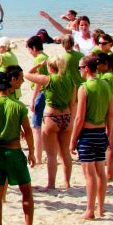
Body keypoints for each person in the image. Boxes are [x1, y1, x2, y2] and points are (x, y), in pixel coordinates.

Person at [0, 71, 35, 225]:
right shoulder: (18, 106)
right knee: (26, 190)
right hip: (14, 151)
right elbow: (28, 131)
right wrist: (31, 151)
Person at [70, 55, 113, 219]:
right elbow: (110, 115)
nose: (80, 71)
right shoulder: (106, 85)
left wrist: (73, 139)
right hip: (101, 132)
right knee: (100, 172)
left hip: (88, 134)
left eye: (80, 68)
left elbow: (79, 117)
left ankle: (90, 210)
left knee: (89, 173)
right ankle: (101, 208)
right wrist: (109, 134)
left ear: (87, 69)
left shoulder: (85, 88)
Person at [24, 56, 74, 190]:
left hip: (52, 117)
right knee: (65, 152)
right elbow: (72, 103)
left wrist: (37, 65)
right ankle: (67, 181)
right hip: (67, 116)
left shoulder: (48, 79)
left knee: (51, 154)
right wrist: (72, 119)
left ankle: (51, 184)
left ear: (50, 67)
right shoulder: (70, 80)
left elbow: (26, 74)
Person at [26, 36, 48, 165]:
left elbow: (38, 81)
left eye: (29, 49)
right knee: (42, 125)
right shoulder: (45, 56)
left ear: (34, 48)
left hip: (41, 93)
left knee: (36, 126)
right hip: (47, 92)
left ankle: (38, 157)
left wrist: (33, 99)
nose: (29, 52)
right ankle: (42, 154)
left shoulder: (39, 59)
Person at [96, 53, 113, 181]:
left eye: (99, 63)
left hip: (110, 112)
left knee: (110, 144)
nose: (97, 66)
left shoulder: (107, 78)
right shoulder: (111, 76)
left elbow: (107, 98)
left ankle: (110, 173)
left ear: (106, 64)